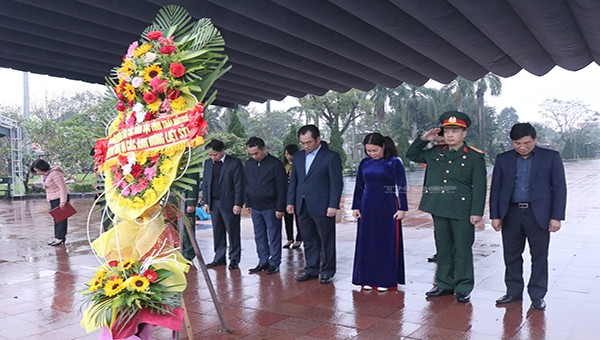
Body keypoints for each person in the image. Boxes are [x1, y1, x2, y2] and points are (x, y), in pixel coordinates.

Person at [406, 111, 487, 303]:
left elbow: (480, 186)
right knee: (442, 247)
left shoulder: (474, 157)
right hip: (439, 207)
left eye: (455, 131)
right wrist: (423, 139)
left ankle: (464, 286)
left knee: (462, 248)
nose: (450, 135)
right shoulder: (435, 153)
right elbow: (412, 154)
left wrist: (477, 212)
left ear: (464, 134)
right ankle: (444, 284)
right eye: (447, 131)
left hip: (462, 210)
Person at [490, 123, 567, 310]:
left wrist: (556, 217)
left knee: (539, 256)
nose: (522, 147)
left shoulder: (551, 158)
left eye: (527, 143)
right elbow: (496, 189)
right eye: (517, 143)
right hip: (511, 213)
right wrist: (495, 216)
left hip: (538, 214)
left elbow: (559, 188)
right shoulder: (503, 159)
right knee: (511, 255)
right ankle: (513, 292)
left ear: (535, 139)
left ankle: (538, 295)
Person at [286, 125, 343, 284]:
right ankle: (311, 269)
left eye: (309, 142)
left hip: (323, 206)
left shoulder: (331, 157)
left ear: (318, 139)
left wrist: (333, 204)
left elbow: (336, 183)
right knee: (309, 239)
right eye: (302, 143)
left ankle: (327, 271)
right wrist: (290, 201)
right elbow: (294, 182)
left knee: (326, 239)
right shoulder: (298, 157)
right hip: (302, 205)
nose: (305, 146)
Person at [351, 133, 408, 292]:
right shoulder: (364, 163)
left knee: (385, 243)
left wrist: (402, 208)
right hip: (367, 208)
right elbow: (359, 187)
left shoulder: (394, 162)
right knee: (367, 243)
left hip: (388, 207)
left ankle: (385, 279)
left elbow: (401, 186)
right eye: (368, 150)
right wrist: (356, 207)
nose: (371, 153)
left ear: (383, 146)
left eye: (375, 150)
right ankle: (367, 279)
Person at [244, 137, 288, 274]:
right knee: (259, 235)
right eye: (251, 154)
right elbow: (247, 184)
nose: (254, 156)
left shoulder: (276, 164)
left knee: (274, 235)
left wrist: (280, 207)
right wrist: (248, 203)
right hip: (255, 207)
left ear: (264, 149)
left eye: (256, 153)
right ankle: (263, 261)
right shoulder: (249, 164)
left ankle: (274, 262)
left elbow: (282, 188)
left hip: (272, 207)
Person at [201, 139, 244, 270]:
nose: (213, 157)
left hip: (230, 203)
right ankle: (219, 257)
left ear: (222, 151)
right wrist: (206, 202)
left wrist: (238, 203)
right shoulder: (208, 164)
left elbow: (239, 185)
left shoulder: (234, 163)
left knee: (233, 231)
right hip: (214, 203)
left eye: (215, 154)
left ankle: (234, 258)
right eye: (210, 155)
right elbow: (206, 183)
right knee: (217, 231)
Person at [30, 159, 70, 246]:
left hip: (60, 197)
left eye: (37, 170)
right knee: (56, 219)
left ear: (42, 168)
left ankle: (60, 238)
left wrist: (63, 201)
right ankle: (57, 237)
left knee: (61, 219)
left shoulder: (55, 173)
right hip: (53, 198)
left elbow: (62, 187)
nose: (37, 172)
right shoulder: (45, 175)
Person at [282, 144, 302, 249]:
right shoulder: (283, 166)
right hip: (286, 194)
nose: (288, 156)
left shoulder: (299, 164)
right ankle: (289, 238)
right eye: (286, 154)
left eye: (290, 154)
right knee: (287, 218)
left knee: (299, 218)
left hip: (297, 194)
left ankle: (299, 238)